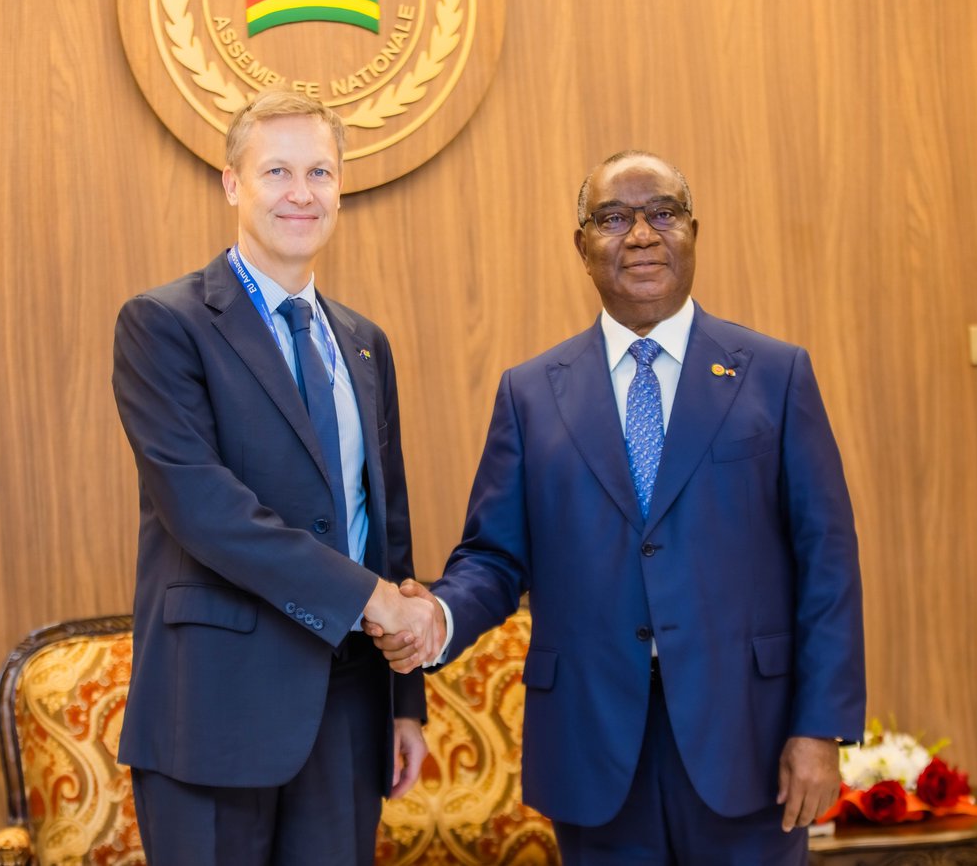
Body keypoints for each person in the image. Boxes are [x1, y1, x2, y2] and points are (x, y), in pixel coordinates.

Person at [368, 150, 866, 864]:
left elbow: (828, 561)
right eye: (613, 217)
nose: (640, 234)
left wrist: (822, 728)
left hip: (748, 738)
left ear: (693, 230)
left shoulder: (774, 375)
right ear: (583, 246)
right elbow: (495, 557)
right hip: (593, 742)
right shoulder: (531, 393)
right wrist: (438, 616)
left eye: (662, 212)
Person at [111, 87, 441, 866]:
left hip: (349, 706)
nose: (302, 194)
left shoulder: (364, 342)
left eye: (321, 173)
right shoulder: (164, 325)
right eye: (278, 172)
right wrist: (375, 600)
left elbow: (382, 524)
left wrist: (405, 703)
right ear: (233, 183)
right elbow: (204, 509)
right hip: (213, 708)